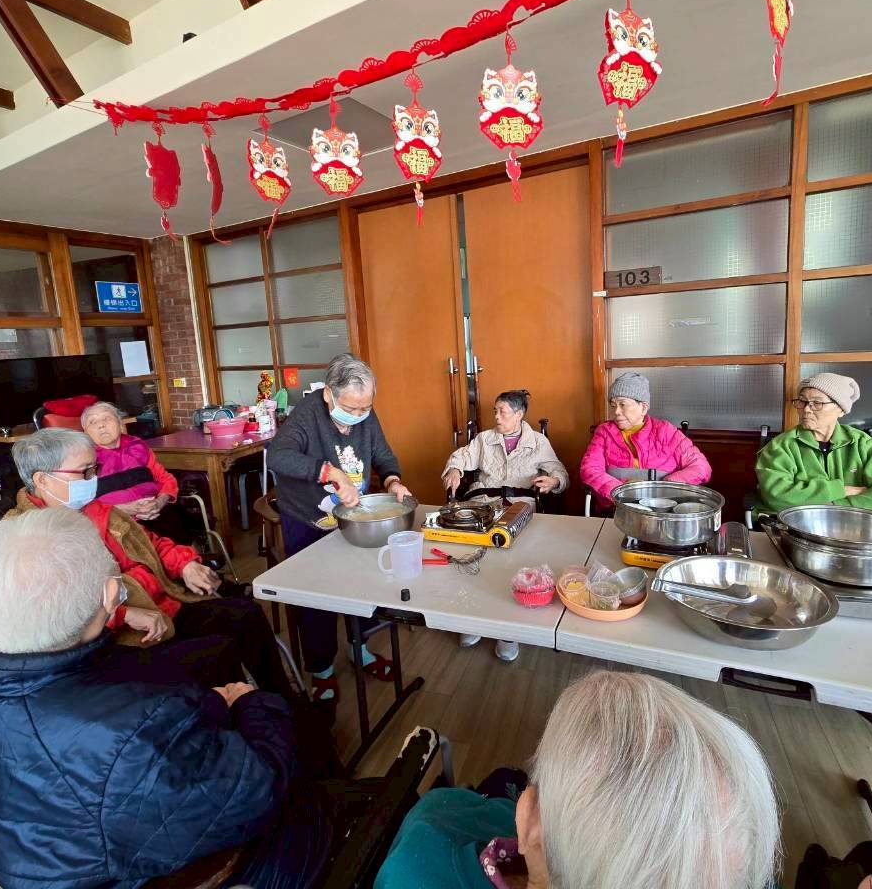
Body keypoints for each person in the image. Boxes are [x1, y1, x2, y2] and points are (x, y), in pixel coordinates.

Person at [0, 506, 335, 888]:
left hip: (55, 870)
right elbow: (254, 791)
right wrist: (251, 704)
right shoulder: (133, 728)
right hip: (163, 876)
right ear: (110, 595)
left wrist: (211, 708)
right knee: (309, 799)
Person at [374, 670, 780, 889]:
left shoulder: (422, 859)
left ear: (531, 820)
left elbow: (441, 811)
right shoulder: (731, 872)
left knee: (501, 779)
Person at [8, 428, 297, 701]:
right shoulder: (23, 538)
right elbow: (50, 614)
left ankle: (284, 707)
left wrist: (185, 565)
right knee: (217, 654)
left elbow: (153, 544)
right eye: (85, 472)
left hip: (161, 604)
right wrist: (122, 614)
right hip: (117, 640)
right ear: (42, 480)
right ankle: (242, 717)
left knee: (245, 616)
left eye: (95, 469)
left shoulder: (98, 510)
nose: (94, 479)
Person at [269, 353, 412, 706]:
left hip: (351, 517)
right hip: (308, 518)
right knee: (315, 593)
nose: (359, 415)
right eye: (351, 408)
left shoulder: (363, 412)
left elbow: (383, 454)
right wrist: (329, 472)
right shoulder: (308, 415)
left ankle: (358, 649)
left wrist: (393, 481)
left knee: (360, 584)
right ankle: (321, 671)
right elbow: (278, 456)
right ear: (329, 394)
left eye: (366, 408)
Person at [443, 391, 567, 663]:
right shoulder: (484, 439)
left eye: (503, 412)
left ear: (519, 414)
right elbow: (461, 457)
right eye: (495, 411)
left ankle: (508, 631)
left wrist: (554, 482)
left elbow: (559, 471)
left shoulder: (538, 442)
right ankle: (473, 619)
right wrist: (454, 470)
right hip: (483, 502)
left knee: (513, 563)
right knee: (473, 560)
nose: (497, 417)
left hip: (520, 504)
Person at [755, 372, 872, 516]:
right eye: (802, 401)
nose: (806, 409)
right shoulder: (781, 446)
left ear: (840, 409)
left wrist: (837, 508)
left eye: (817, 403)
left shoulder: (861, 443)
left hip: (854, 527)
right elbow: (776, 496)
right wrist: (842, 490)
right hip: (797, 528)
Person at [580, 371, 711, 505]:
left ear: (643, 407)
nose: (616, 411)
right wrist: (623, 494)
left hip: (662, 508)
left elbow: (701, 468)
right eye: (613, 406)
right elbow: (590, 469)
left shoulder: (666, 431)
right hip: (617, 507)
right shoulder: (604, 432)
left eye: (622, 404)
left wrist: (666, 487)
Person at [81, 400, 200, 545]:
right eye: (93, 422)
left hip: (157, 514)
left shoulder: (137, 447)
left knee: (176, 535)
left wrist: (160, 502)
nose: (101, 425)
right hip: (117, 526)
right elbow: (82, 506)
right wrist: (122, 510)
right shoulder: (83, 460)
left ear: (120, 423)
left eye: (107, 418)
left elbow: (165, 479)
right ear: (86, 433)